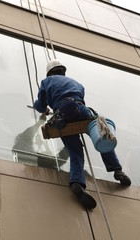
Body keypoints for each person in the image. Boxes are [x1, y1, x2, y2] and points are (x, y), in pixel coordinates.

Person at [34, 59, 131, 210]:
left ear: (50, 72)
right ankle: (117, 170)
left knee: (75, 151)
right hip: (81, 109)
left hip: (63, 114)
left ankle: (77, 183)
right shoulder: (77, 83)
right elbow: (80, 99)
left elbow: (40, 104)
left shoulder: (47, 81)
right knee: (103, 136)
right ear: (62, 71)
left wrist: (44, 109)